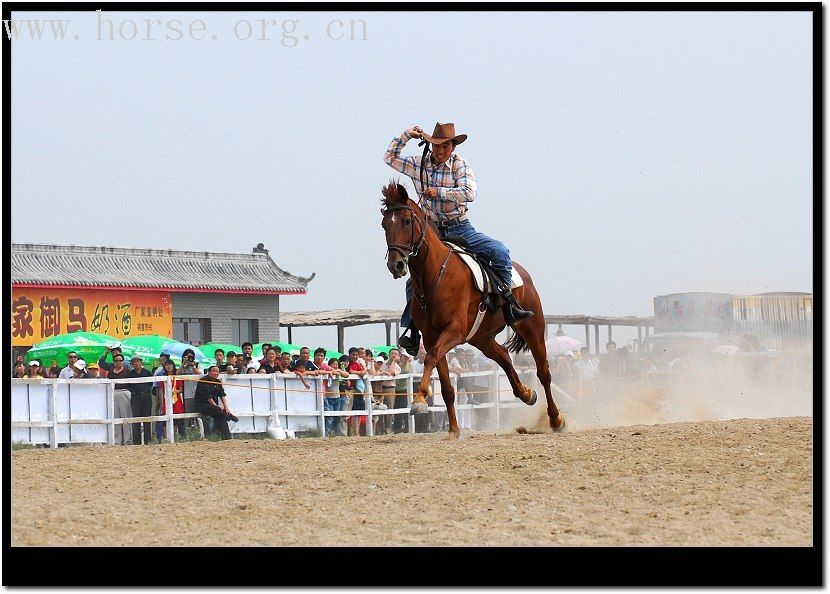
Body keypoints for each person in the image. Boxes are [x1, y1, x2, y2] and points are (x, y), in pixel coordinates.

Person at [383, 122, 533, 355]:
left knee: (499, 252)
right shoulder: (418, 164)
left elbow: (469, 193)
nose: (441, 151)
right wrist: (406, 135)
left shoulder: (460, 165)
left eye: (446, 146)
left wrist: (440, 192)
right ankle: (412, 327)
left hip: (459, 228)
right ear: (431, 145)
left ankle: (510, 305)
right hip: (431, 232)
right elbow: (390, 157)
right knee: (414, 280)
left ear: (453, 147)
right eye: (437, 146)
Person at [193, 365, 238, 440]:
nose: (216, 373)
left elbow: (222, 395)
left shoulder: (218, 382)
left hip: (214, 407)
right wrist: (217, 406)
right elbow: (208, 397)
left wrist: (226, 407)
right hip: (202, 405)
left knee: (221, 416)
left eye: (217, 372)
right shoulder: (203, 381)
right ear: (209, 372)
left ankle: (226, 437)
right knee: (219, 411)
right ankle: (228, 417)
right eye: (214, 371)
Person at [156, 360, 186, 441]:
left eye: (170, 365)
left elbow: (181, 389)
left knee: (176, 419)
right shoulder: (163, 377)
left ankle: (174, 437)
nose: (168, 367)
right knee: (165, 420)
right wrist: (162, 403)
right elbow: (161, 390)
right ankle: (166, 438)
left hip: (176, 400)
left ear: (173, 366)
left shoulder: (177, 377)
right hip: (166, 400)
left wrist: (176, 392)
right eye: (167, 365)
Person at [127, 355, 153, 445]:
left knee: (147, 419)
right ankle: (136, 442)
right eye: (134, 362)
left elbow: (150, 384)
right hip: (135, 397)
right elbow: (128, 386)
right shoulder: (130, 374)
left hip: (146, 396)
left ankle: (148, 441)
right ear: (132, 364)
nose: (136, 363)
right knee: (136, 420)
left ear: (141, 362)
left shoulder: (147, 372)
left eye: (138, 361)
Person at [108, 353, 133, 445]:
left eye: (120, 360)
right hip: (114, 393)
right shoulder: (110, 372)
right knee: (115, 417)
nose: (118, 362)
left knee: (126, 416)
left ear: (123, 362)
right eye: (116, 360)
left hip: (125, 392)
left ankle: (128, 440)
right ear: (113, 362)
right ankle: (117, 440)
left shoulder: (127, 371)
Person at [322, 356, 349, 436]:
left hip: (337, 398)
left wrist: (339, 370)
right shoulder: (327, 372)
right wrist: (336, 371)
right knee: (330, 417)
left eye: (336, 364)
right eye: (333, 364)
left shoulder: (339, 372)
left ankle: (334, 432)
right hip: (329, 398)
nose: (335, 366)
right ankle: (327, 433)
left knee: (337, 417)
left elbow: (347, 375)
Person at [346, 347, 367, 436]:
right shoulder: (348, 363)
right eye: (353, 355)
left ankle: (356, 433)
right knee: (349, 413)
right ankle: (351, 433)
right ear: (349, 355)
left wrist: (357, 372)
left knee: (357, 413)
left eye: (356, 355)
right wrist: (358, 373)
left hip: (358, 392)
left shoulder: (357, 364)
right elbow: (350, 371)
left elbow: (363, 372)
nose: (355, 357)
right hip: (349, 391)